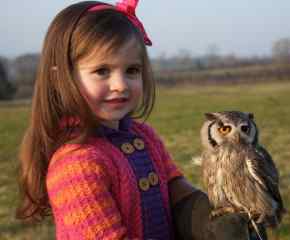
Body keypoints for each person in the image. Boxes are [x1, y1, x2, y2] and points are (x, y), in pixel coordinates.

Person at [16, 1, 265, 239]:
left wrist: (213, 221)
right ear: (62, 79)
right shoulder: (76, 164)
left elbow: (174, 187)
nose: (120, 85)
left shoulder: (144, 136)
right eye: (102, 71)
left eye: (132, 70)